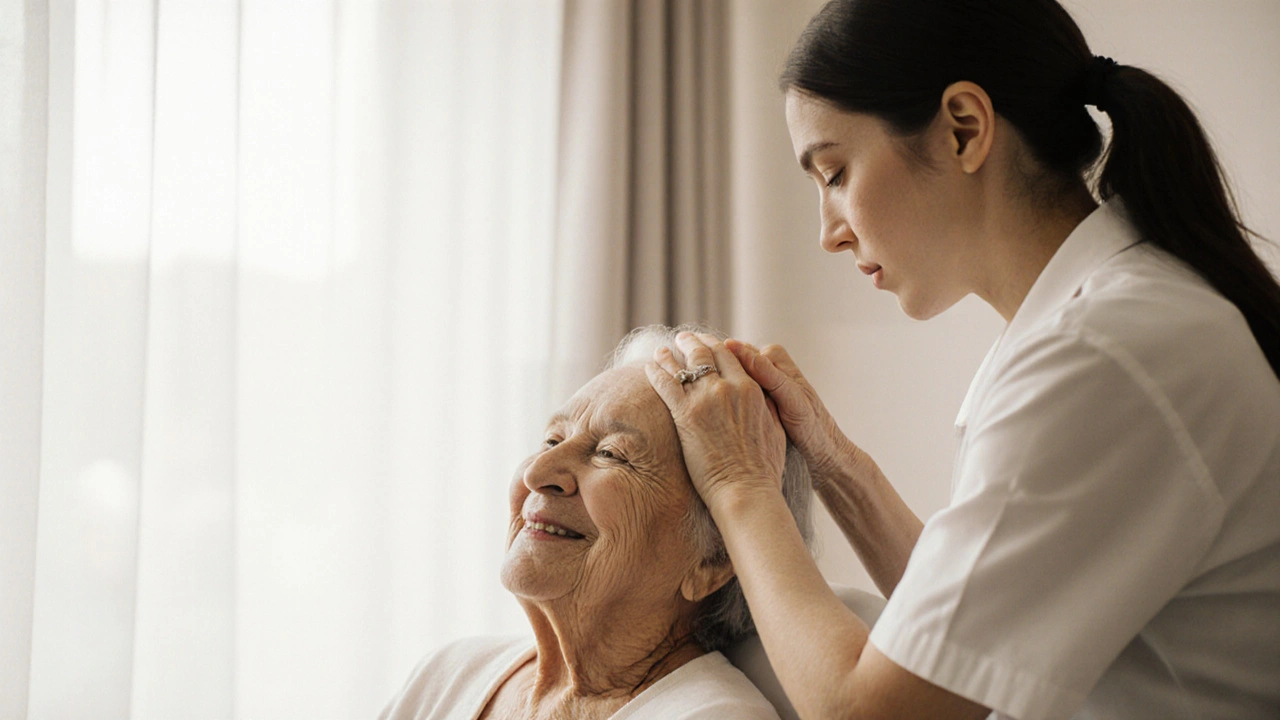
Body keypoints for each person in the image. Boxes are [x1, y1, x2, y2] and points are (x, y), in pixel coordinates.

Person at [644, 1, 1280, 719]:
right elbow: (968, 635)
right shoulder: (1108, 324)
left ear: (964, 129)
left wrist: (738, 482)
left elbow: (869, 712)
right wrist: (833, 463)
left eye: (835, 173)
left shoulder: (1102, 354)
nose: (829, 232)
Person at [379, 324, 814, 720]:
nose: (537, 473)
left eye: (611, 454)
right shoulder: (449, 674)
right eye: (552, 439)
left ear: (713, 560)